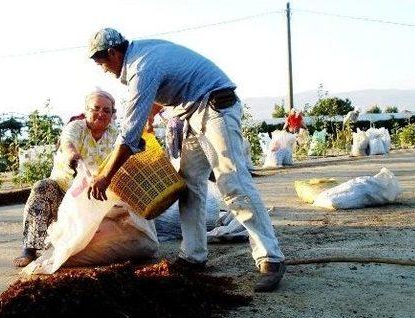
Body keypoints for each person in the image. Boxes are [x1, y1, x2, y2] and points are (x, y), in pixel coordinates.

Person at [87, 28, 286, 292]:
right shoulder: (143, 53)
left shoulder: (140, 66)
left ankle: (271, 258)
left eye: (102, 62)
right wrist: (153, 111)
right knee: (189, 185)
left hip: (216, 108)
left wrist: (105, 176)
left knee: (232, 181)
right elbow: (171, 84)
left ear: (113, 53)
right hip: (193, 112)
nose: (103, 69)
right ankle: (193, 256)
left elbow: (129, 134)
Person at [13, 89, 130, 267]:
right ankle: (29, 249)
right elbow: (68, 143)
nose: (101, 113)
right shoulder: (76, 127)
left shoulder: (115, 134)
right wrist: (73, 158)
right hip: (65, 191)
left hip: (96, 194)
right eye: (96, 108)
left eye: (107, 110)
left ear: (113, 115)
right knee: (43, 188)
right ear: (86, 110)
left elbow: (124, 154)